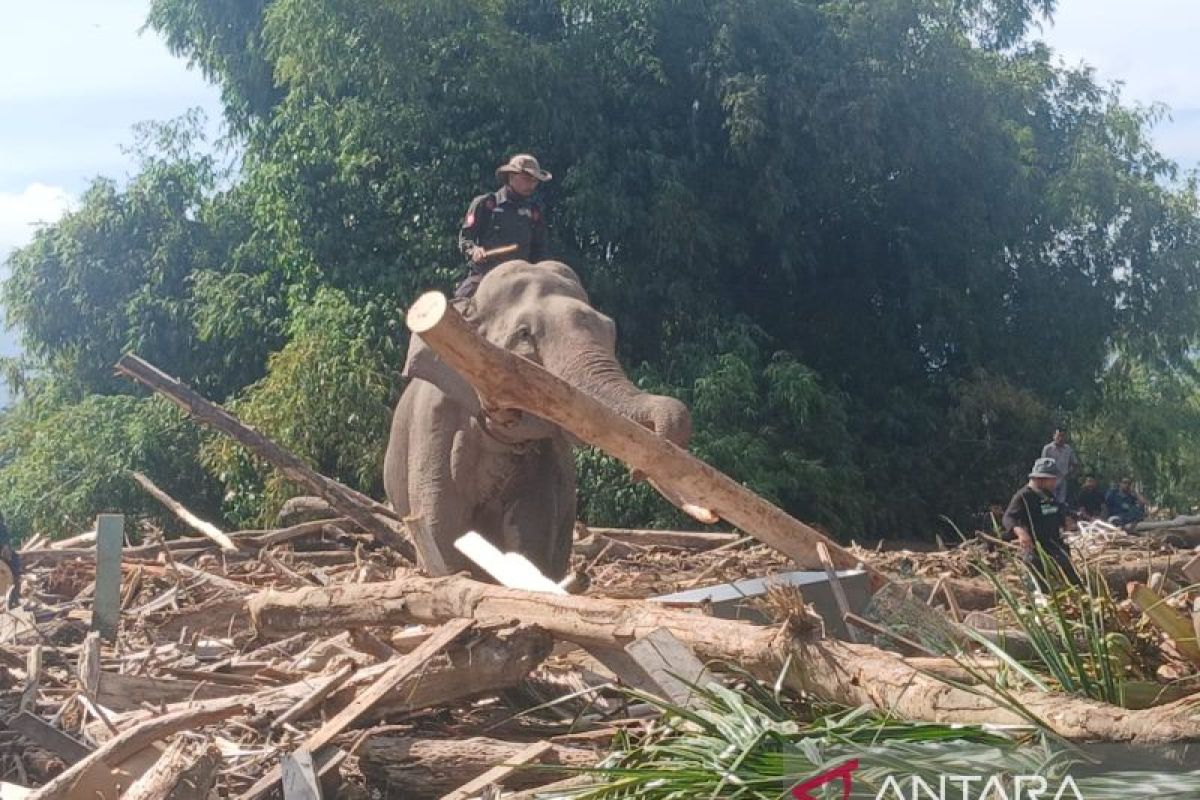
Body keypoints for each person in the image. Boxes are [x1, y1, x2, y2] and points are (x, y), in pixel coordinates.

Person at [454, 153, 551, 300]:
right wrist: (474, 251)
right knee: (459, 304)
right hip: (486, 275)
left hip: (523, 279)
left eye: (535, 181)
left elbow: (540, 250)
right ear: (511, 177)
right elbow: (466, 238)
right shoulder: (486, 204)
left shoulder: (534, 213)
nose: (531, 185)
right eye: (526, 179)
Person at [1002, 457, 1081, 589]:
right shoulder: (1023, 496)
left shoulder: (1047, 495)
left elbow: (1056, 511)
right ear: (1040, 478)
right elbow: (1008, 517)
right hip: (1035, 549)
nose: (1055, 482)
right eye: (1052, 478)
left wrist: (1067, 521)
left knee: (1074, 582)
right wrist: (1020, 532)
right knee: (1039, 585)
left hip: (1054, 545)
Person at [1040, 427, 1080, 504]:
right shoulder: (1047, 449)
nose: (1061, 438)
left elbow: (1075, 463)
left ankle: (1060, 515)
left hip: (1063, 479)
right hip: (1050, 479)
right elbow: (1042, 465)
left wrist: (1069, 474)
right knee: (1049, 501)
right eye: (1059, 436)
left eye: (1063, 436)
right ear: (1054, 436)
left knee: (1061, 502)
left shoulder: (1068, 449)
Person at [0, 514, 20, 608]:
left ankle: (14, 597)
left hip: (3, 553)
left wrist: (5, 547)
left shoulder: (2, 527)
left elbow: (6, 548)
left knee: (15, 562)